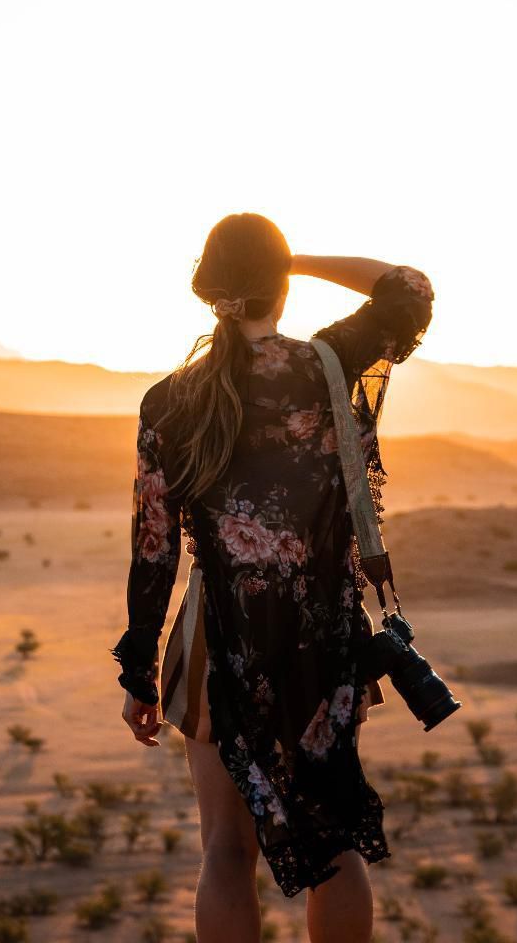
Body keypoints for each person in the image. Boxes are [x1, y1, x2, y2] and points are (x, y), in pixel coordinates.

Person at [109, 212, 434, 942]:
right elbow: (408, 287)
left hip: (217, 635)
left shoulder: (169, 401)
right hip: (318, 636)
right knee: (336, 840)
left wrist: (138, 672)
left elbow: (154, 549)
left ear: (209, 290)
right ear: (276, 286)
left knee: (225, 851)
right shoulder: (327, 364)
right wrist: (301, 261)